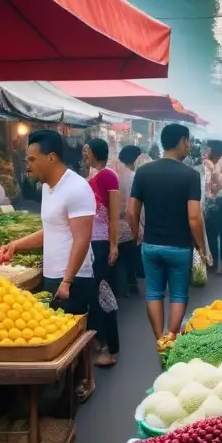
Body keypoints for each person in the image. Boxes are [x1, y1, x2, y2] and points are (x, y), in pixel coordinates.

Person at [6, 130, 108, 362]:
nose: (27, 165)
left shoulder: (76, 187)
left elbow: (82, 238)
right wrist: (16, 245)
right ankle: (69, 384)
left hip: (73, 278)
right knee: (58, 338)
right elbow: (51, 229)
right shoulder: (47, 188)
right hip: (54, 275)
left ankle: (84, 382)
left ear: (51, 157)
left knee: (72, 337)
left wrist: (67, 280)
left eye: (32, 159)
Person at [128, 123, 209, 340]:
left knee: (153, 292)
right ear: (182, 141)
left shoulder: (143, 172)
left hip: (151, 245)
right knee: (178, 294)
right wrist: (202, 247)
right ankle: (170, 338)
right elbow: (194, 217)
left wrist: (139, 235)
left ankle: (158, 338)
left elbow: (131, 211)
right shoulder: (190, 175)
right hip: (180, 246)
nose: (189, 145)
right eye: (188, 141)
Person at [82, 138, 122, 366]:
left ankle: (112, 348)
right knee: (94, 294)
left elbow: (114, 214)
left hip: (102, 243)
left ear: (95, 153)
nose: (83, 153)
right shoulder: (92, 175)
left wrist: (113, 245)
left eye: (86, 150)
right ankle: (100, 341)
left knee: (104, 295)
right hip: (91, 243)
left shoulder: (108, 175)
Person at [203, 139, 222, 275]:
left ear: (214, 150)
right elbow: (206, 182)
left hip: (221, 201)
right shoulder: (207, 162)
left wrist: (212, 172)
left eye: (208, 149)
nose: (206, 151)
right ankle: (213, 259)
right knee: (211, 232)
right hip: (209, 200)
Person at [116, 145, 142, 296]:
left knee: (117, 258)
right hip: (128, 222)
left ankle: (120, 287)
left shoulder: (113, 172)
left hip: (112, 223)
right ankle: (131, 284)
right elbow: (136, 206)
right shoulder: (133, 177)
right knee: (129, 256)